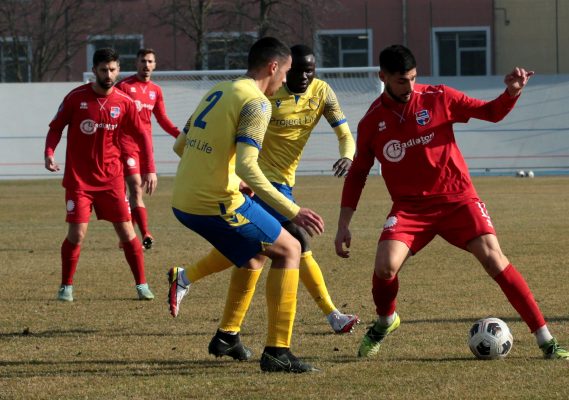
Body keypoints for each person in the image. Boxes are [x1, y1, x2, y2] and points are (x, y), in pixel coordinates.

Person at [334, 44, 569, 360]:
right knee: (385, 267)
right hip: (410, 208)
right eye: (402, 81)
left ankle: (547, 341)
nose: (410, 87)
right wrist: (343, 224)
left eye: (414, 79)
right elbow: (358, 174)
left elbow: (490, 112)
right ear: (383, 77)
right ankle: (385, 322)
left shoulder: (438, 98)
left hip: (458, 199)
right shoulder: (371, 123)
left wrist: (512, 92)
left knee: (494, 259)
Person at [168, 44, 359, 335]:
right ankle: (329, 316)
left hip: (276, 182)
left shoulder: (320, 92)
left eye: (311, 70)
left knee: (254, 254)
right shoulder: (261, 100)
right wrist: (288, 207)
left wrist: (348, 154)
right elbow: (246, 163)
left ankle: (216, 317)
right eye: (292, 70)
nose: (300, 76)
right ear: (278, 67)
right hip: (262, 182)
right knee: (294, 244)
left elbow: (345, 133)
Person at [44, 48, 157, 302]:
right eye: (104, 70)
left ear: (118, 70)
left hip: (112, 180)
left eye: (113, 69)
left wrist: (149, 168)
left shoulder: (125, 102)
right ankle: (66, 286)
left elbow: (143, 137)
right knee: (77, 234)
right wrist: (49, 152)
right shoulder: (75, 98)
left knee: (127, 232)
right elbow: (55, 128)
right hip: (79, 180)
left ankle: (141, 285)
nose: (109, 74)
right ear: (94, 70)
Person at [116, 48, 181, 250]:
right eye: (143, 60)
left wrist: (181, 136)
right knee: (135, 187)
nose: (146, 65)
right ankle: (145, 233)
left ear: (155, 65)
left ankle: (127, 237)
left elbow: (162, 119)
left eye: (150, 61)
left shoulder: (156, 91)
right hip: (126, 145)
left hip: (146, 147)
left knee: (137, 195)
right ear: (136, 63)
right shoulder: (124, 87)